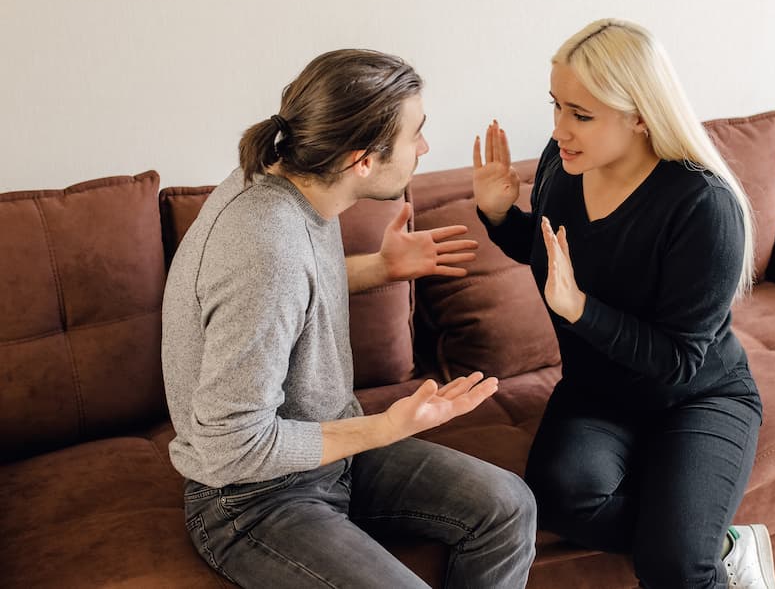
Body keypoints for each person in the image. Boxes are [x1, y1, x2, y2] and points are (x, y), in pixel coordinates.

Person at [162, 49, 536, 589]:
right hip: (251, 498)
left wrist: (381, 267)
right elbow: (232, 444)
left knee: (507, 507)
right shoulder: (265, 246)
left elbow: (289, 293)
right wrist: (386, 427)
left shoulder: (291, 181)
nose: (425, 148)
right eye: (416, 135)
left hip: (334, 452)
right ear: (363, 159)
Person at [472, 19, 775, 589]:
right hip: (597, 393)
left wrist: (582, 311)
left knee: (674, 567)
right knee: (558, 501)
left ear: (640, 114)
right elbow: (551, 256)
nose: (560, 129)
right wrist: (498, 215)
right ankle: (720, 542)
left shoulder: (702, 206)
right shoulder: (563, 166)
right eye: (556, 106)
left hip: (698, 396)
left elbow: (681, 360)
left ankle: (707, 553)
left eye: (581, 114)